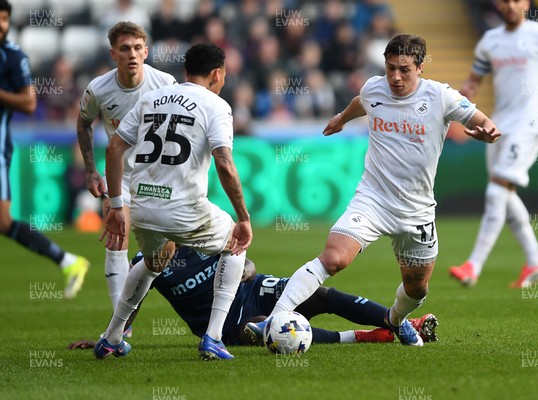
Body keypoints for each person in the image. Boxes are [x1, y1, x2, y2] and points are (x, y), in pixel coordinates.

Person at [247, 34, 501, 347]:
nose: (395, 76)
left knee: (417, 289)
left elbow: (479, 118)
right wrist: (341, 119)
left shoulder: (440, 96)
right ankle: (276, 319)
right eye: (390, 67)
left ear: (420, 68)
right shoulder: (374, 88)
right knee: (333, 258)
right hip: (373, 199)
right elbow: (361, 103)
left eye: (404, 69)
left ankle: (395, 321)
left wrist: (488, 129)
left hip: (416, 211)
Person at [95, 42, 252, 361]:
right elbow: (224, 162)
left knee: (154, 262)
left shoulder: (150, 98)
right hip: (184, 209)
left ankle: (112, 337)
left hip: (142, 207)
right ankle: (214, 337)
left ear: (185, 71)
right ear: (217, 74)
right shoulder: (216, 105)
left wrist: (115, 205)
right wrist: (243, 217)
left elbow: (113, 148)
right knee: (236, 241)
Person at [67, 248, 439, 351]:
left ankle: (397, 322)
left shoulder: (202, 229)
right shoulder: (148, 262)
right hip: (225, 323)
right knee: (273, 334)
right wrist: (114, 337)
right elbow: (133, 299)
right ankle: (365, 336)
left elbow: (244, 257)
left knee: (320, 294)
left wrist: (246, 267)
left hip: (253, 289)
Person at [449, 0, 538, 288]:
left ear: (526, 3)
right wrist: (464, 95)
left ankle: (473, 266)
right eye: (504, 1)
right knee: (504, 193)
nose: (509, 5)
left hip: (530, 124)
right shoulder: (490, 41)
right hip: (499, 125)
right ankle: (535, 261)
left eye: (515, 0)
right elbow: (473, 82)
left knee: (496, 191)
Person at [76, 21, 177, 332]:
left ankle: (127, 313)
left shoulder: (166, 84)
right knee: (116, 240)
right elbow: (83, 124)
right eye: (124, 49)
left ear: (146, 52)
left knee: (164, 254)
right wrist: (91, 170)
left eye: (137, 48)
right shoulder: (98, 89)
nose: (132, 54)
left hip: (160, 180)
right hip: (121, 177)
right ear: (113, 54)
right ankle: (120, 329)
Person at [0, 0, 89, 299]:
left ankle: (68, 261)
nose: (1, 24)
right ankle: (67, 261)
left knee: (3, 221)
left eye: (4, 19)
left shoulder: (13, 57)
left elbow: (28, 102)